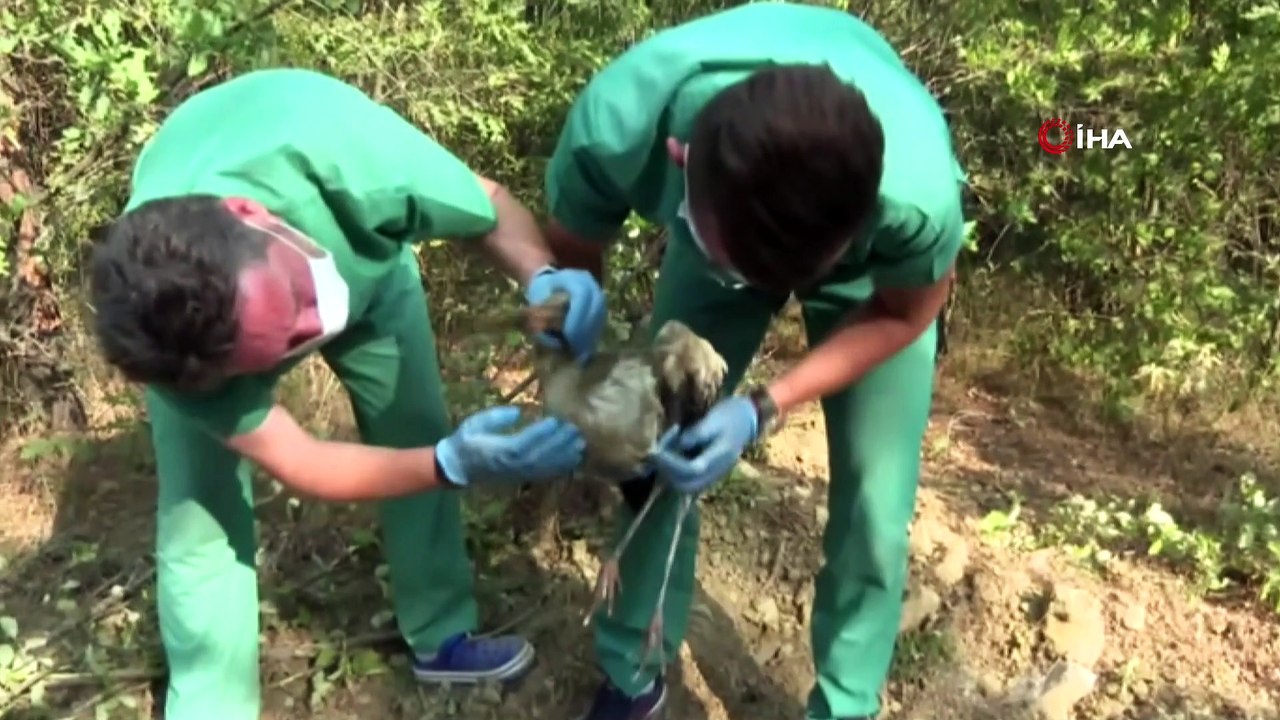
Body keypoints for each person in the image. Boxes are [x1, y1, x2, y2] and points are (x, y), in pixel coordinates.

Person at [88, 68, 606, 720]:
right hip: (220, 325)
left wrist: (542, 275)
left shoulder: (349, 158)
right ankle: (211, 704)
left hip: (364, 267)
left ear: (253, 216)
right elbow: (300, 459)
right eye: (278, 349)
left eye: (296, 305)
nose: (311, 333)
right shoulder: (167, 340)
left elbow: (489, 205)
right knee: (202, 508)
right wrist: (454, 464)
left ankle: (441, 632)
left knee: (413, 424)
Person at [542, 3, 966, 719]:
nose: (767, 290)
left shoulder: (916, 194)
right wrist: (588, 376)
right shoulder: (622, 123)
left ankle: (846, 703)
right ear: (681, 165)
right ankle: (633, 672)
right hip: (713, 226)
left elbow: (905, 311)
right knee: (659, 448)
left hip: (869, 286)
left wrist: (762, 407)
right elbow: (575, 255)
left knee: (874, 504)